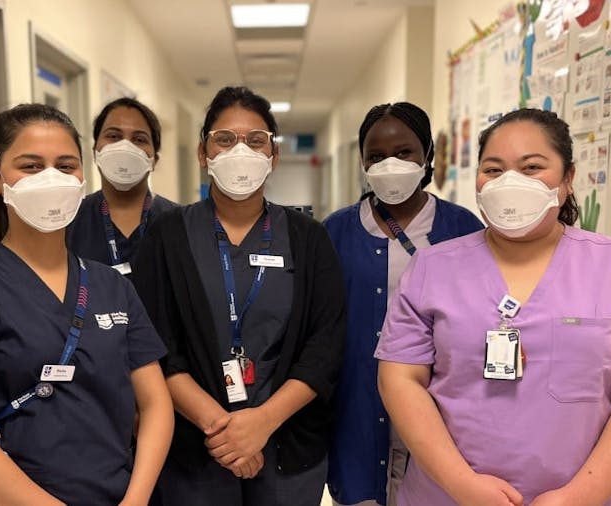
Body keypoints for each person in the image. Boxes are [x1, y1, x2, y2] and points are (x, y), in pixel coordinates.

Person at [376, 108, 611, 506]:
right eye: (493, 169)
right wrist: (460, 484)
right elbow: (400, 381)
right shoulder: (432, 269)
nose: (509, 182)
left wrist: (581, 495)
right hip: (444, 495)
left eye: (532, 167)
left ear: (568, 179)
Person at [0, 103, 174, 506]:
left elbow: (155, 405)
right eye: (30, 166)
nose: (51, 178)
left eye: (65, 166)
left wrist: (135, 500)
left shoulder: (111, 287)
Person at [131, 85, 346, 506]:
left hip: (288, 445)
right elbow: (153, 344)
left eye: (255, 140)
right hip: (196, 449)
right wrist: (224, 431)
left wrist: (262, 423)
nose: (239, 150)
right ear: (202, 153)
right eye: (225, 139)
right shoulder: (167, 236)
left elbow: (326, 344)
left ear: (274, 156)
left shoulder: (308, 238)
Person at [323, 103, 483, 506]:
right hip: (355, 403)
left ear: (427, 154)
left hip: (440, 404)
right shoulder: (335, 231)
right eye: (376, 156)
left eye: (404, 152)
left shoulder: (463, 228)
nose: (390, 164)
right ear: (362, 161)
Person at [68, 97, 179, 277]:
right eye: (113, 136)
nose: (125, 146)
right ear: (96, 151)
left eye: (139, 139)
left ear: (154, 160)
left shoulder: (179, 224)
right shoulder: (70, 221)